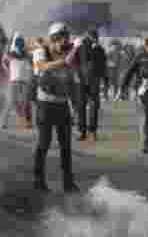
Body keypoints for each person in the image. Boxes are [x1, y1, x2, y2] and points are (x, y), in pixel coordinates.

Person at [31, 22, 80, 193]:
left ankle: (68, 182)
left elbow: (71, 82)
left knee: (66, 145)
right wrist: (62, 62)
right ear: (53, 38)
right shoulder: (40, 51)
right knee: (44, 143)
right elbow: (41, 67)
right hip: (45, 104)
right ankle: (38, 181)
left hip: (62, 104)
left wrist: (75, 107)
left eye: (66, 38)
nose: (65, 42)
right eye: (61, 38)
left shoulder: (68, 54)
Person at [75, 30, 107, 141]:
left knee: (93, 107)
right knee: (81, 107)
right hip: (82, 81)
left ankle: (92, 131)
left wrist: (104, 81)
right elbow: (76, 63)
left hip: (94, 80)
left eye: (93, 37)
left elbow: (103, 66)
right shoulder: (81, 48)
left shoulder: (100, 50)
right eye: (91, 37)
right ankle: (82, 132)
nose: (93, 39)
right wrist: (77, 75)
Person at [2, 34, 32, 129]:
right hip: (14, 81)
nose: (20, 46)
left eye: (21, 44)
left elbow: (31, 64)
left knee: (25, 102)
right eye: (18, 44)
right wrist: (8, 70)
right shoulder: (11, 53)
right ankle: (3, 122)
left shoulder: (26, 54)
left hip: (24, 80)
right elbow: (3, 60)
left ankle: (26, 121)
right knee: (11, 101)